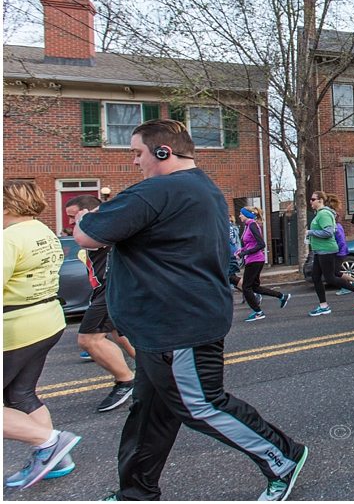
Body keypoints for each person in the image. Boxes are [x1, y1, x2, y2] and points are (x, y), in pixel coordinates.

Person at [74, 119, 307, 501]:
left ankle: (283, 456)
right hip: (162, 326)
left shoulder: (158, 190)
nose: (134, 162)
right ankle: (136, 492)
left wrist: (86, 216)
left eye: (137, 153)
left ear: (163, 152)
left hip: (178, 326)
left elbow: (88, 234)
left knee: (200, 404)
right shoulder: (202, 188)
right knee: (150, 411)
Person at [4, 180, 82, 490]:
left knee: (18, 394)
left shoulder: (9, 238)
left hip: (16, 325)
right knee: (21, 394)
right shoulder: (42, 231)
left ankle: (50, 441)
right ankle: (56, 457)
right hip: (46, 318)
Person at [64, 195, 136, 413]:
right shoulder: (97, 225)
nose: (70, 223)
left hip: (111, 288)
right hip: (105, 288)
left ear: (89, 211)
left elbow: (83, 239)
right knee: (120, 335)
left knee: (88, 340)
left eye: (72, 216)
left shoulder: (102, 225)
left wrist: (85, 219)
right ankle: (160, 373)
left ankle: (126, 381)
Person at [307, 191, 354, 316]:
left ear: (320, 200)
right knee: (316, 277)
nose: (310, 201)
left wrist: (310, 233)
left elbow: (328, 232)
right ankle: (323, 306)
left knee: (330, 277)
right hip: (319, 251)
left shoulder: (323, 214)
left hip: (326, 250)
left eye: (313, 199)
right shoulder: (320, 214)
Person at [236, 206, 290, 321]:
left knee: (246, 287)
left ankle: (258, 312)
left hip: (255, 260)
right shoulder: (248, 226)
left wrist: (244, 252)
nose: (239, 216)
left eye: (241, 214)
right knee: (254, 287)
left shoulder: (252, 225)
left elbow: (261, 244)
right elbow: (250, 244)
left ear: (246, 215)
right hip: (253, 259)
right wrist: (240, 251)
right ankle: (281, 296)